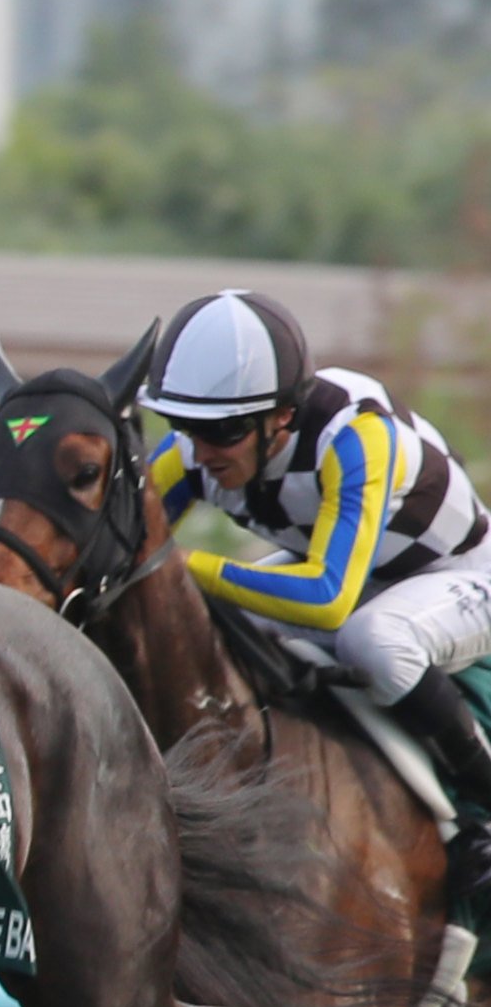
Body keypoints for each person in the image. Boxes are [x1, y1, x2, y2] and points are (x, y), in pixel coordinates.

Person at [142, 286, 491, 893]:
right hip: (355, 572)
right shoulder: (193, 453)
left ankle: (482, 809)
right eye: (183, 426)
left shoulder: (356, 436)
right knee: (226, 635)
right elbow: (127, 543)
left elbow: (327, 597)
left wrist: (183, 565)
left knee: (375, 639)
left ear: (279, 415)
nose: (199, 451)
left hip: (456, 572)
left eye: (220, 431)